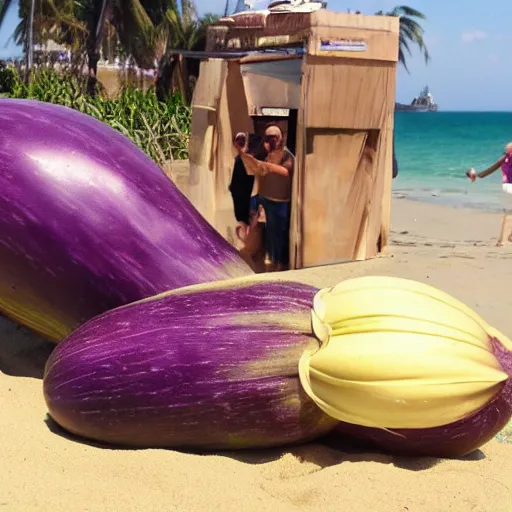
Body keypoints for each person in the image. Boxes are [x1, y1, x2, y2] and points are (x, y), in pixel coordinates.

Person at [234, 124, 294, 271]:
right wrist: (242, 152)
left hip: (279, 202)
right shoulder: (265, 154)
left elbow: (285, 171)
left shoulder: (286, 156)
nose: (272, 141)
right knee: (256, 225)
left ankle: (277, 263)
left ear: (281, 139)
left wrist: (265, 166)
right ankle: (256, 252)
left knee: (277, 235)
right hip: (263, 198)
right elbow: (251, 167)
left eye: (275, 138)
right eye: (269, 138)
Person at [466, 142, 512, 246]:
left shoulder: (504, 158)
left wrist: (477, 175)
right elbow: (491, 169)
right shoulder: (507, 158)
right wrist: (476, 175)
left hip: (506, 187)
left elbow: (490, 169)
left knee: (508, 213)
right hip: (509, 186)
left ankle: (501, 241)